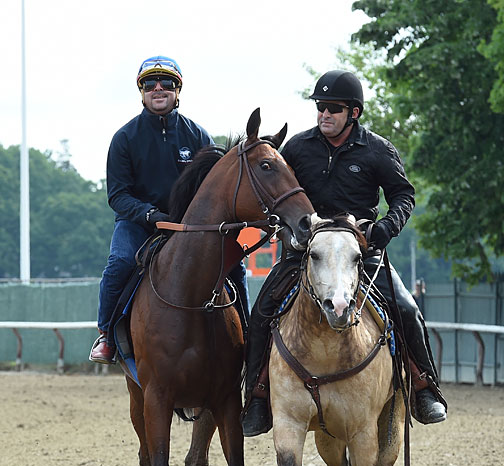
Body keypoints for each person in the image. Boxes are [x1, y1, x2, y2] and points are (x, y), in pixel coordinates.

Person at [241, 69, 447, 436]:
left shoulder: (378, 149)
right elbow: (279, 194)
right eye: (320, 107)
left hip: (361, 254)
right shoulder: (298, 149)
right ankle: (257, 395)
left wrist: (383, 230)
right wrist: (288, 231)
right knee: (261, 313)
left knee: (407, 309)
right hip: (307, 253)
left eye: (333, 108)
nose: (324, 115)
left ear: (353, 113)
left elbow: (403, 195)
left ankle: (423, 387)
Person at [90, 55, 249, 363]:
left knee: (235, 264)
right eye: (150, 83)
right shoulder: (124, 139)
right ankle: (107, 335)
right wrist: (150, 215)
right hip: (140, 223)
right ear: (142, 91)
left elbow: (213, 190)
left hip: (190, 226)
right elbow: (118, 195)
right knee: (120, 261)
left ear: (178, 90)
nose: (158, 88)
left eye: (167, 83)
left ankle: (247, 329)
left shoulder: (198, 136)